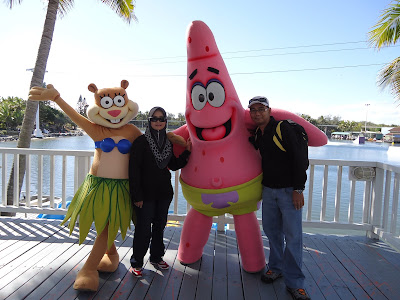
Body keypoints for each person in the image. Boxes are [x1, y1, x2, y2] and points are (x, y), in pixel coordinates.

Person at [248, 96, 311, 300]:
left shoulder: (284, 128)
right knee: (272, 232)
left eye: (261, 109)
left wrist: (298, 189)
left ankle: (295, 283)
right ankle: (275, 268)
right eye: (253, 110)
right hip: (268, 190)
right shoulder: (259, 133)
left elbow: (300, 159)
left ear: (269, 110)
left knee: (293, 237)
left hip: (289, 191)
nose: (257, 113)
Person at [129, 106, 192, 277]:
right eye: (154, 119)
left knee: (159, 227)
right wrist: (137, 196)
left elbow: (173, 164)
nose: (158, 122)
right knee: (143, 229)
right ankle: (137, 262)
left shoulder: (167, 142)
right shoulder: (141, 142)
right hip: (145, 196)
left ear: (165, 121)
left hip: (164, 193)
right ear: (149, 122)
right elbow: (133, 171)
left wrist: (187, 152)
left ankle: (156, 257)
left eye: (161, 119)